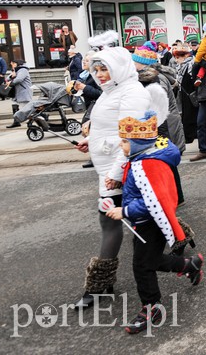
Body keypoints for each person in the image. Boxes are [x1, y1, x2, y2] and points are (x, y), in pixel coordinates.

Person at [105, 111, 203, 335]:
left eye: (124, 141)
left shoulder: (147, 164)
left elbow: (155, 202)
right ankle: (188, 265)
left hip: (150, 222)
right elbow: (143, 191)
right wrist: (119, 185)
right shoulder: (143, 158)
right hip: (146, 221)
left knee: (142, 265)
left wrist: (125, 210)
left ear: (138, 142)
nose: (121, 146)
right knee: (149, 261)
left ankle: (152, 307)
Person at [72, 42, 152, 310]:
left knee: (111, 221)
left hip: (122, 170)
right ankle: (182, 243)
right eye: (96, 68)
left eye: (104, 68)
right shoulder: (111, 90)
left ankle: (99, 283)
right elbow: (108, 128)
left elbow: (134, 137)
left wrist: (117, 173)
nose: (99, 74)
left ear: (118, 67)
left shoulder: (132, 92)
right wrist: (90, 141)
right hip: (108, 168)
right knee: (145, 216)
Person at [5, 60, 32, 128]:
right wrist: (12, 76)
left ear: (17, 63)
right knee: (14, 105)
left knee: (27, 107)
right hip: (16, 92)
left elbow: (19, 79)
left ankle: (42, 116)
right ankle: (16, 121)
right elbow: (7, 78)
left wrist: (11, 82)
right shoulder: (16, 70)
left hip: (23, 91)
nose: (12, 65)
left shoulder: (23, 70)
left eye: (13, 64)